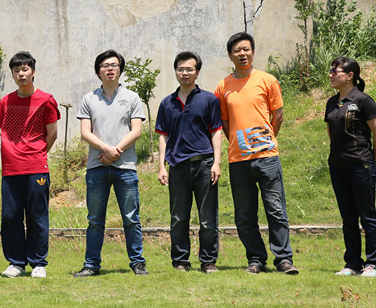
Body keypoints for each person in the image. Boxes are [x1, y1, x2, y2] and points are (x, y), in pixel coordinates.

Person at [215, 32, 298, 275]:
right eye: (237, 50)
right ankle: (255, 259)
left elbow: (278, 115)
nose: (242, 54)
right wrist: (237, 142)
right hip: (238, 160)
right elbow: (225, 121)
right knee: (244, 214)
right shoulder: (223, 86)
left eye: (246, 49)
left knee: (276, 210)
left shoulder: (267, 80)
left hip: (267, 158)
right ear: (230, 55)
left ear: (252, 52)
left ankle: (283, 259)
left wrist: (267, 139)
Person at [73, 50, 148, 277]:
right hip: (97, 168)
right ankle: (91, 265)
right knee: (95, 220)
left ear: (120, 69)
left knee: (131, 218)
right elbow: (85, 133)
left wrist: (115, 152)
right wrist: (107, 150)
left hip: (125, 168)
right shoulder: (89, 99)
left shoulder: (132, 97)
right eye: (105, 65)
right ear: (98, 71)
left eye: (114, 65)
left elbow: (136, 130)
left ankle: (137, 263)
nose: (110, 69)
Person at [156, 51, 223, 273]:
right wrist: (162, 166)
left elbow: (216, 132)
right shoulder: (167, 103)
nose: (184, 73)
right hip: (177, 167)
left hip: (204, 165)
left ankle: (208, 261)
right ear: (176, 72)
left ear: (197, 72)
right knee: (178, 217)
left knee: (207, 217)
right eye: (180, 69)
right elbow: (163, 136)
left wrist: (216, 162)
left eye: (189, 69)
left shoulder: (209, 100)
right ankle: (180, 261)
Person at [0, 51, 60, 278]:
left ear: (33, 72)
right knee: (10, 216)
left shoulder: (46, 100)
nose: (21, 74)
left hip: (36, 168)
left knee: (37, 215)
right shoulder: (6, 101)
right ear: (12, 74)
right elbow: (2, 129)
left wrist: (37, 154)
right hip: (11, 169)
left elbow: (52, 133)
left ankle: (38, 263)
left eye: (25, 69)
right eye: (16, 70)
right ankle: (16, 263)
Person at [326, 56, 376, 278]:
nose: (331, 75)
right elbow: (332, 134)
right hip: (337, 166)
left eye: (336, 71)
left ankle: (373, 264)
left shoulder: (363, 100)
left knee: (367, 215)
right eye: (330, 71)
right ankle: (352, 263)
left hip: (361, 164)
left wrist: (374, 160)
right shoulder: (331, 103)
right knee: (348, 217)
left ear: (350, 75)